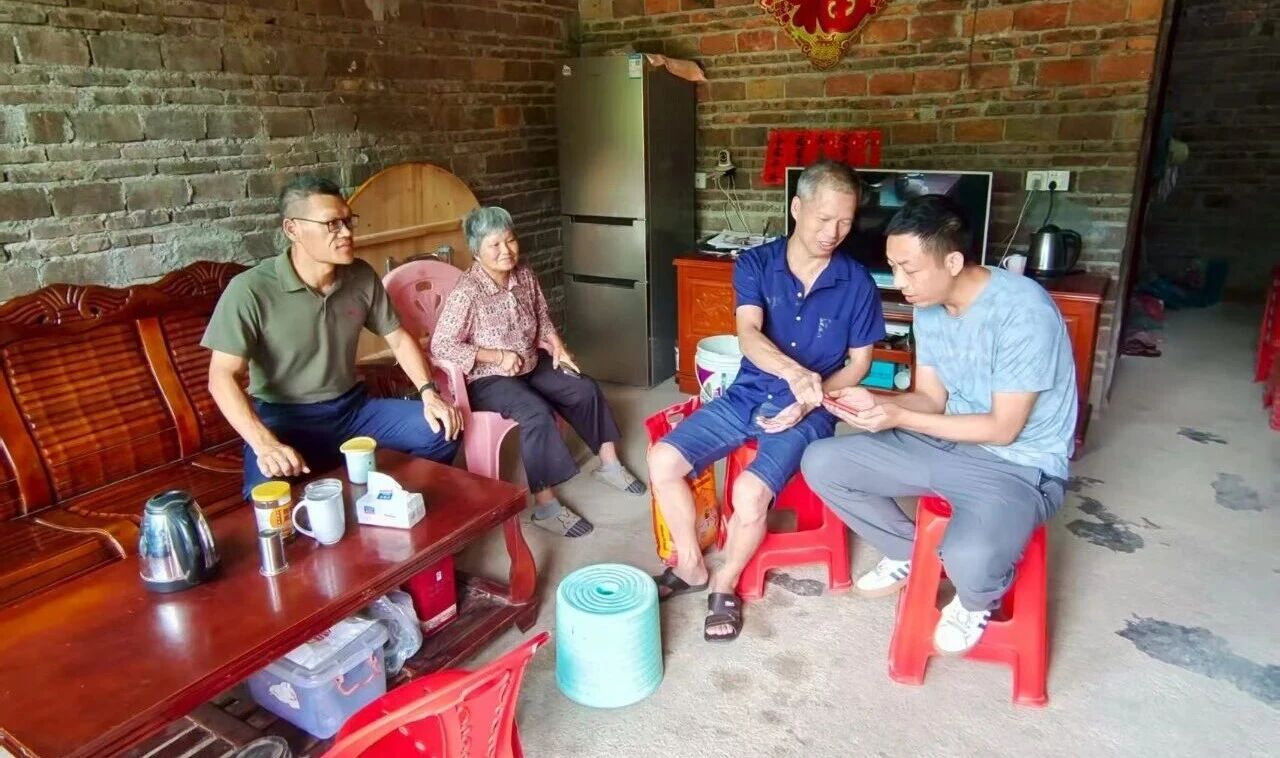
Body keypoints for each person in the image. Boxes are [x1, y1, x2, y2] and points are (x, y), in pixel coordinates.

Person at [801, 194, 1077, 655]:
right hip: (945, 440)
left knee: (969, 557)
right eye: (893, 267)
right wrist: (878, 403)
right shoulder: (928, 306)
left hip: (1018, 465)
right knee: (822, 462)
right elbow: (931, 399)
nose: (899, 282)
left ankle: (973, 602)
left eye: (909, 269)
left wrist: (899, 416)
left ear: (952, 261)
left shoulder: (1023, 312)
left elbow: (1003, 429)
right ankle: (909, 551)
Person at [647, 160, 886, 642]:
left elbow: (860, 363)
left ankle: (725, 580)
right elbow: (748, 333)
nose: (833, 233)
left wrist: (811, 398)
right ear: (797, 208)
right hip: (749, 392)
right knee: (662, 461)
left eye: (845, 222)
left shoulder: (857, 281)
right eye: (824, 219)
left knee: (750, 494)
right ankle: (691, 565)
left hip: (812, 409)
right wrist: (793, 372)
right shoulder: (757, 263)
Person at [203, 175, 463, 498]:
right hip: (285, 418)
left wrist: (429, 393)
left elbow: (398, 339)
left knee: (442, 429)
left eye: (348, 221)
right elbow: (221, 377)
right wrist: (264, 443)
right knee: (268, 496)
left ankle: (395, 509)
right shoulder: (250, 290)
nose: (346, 233)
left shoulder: (360, 275)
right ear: (292, 229)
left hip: (352, 410)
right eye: (332, 224)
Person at [430, 206, 645, 538]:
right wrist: (496, 356)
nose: (506, 250)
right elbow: (442, 345)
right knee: (536, 412)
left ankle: (610, 464)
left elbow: (542, 316)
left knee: (583, 386)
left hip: (530, 362)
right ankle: (546, 507)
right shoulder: (467, 292)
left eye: (510, 240)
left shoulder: (524, 275)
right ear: (476, 252)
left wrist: (558, 347)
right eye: (495, 245)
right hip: (488, 378)